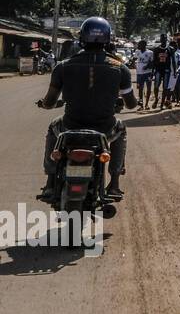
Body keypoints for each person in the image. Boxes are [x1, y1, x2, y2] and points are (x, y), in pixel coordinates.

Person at [35, 16, 137, 203]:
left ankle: (50, 182)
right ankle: (114, 183)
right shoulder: (120, 68)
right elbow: (131, 104)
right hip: (104, 129)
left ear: (81, 38)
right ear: (107, 39)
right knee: (121, 129)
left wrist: (45, 104)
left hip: (69, 128)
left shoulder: (63, 66)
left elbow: (49, 102)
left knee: (52, 127)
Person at [153, 34, 175, 110]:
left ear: (167, 39)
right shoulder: (156, 49)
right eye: (162, 38)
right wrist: (153, 72)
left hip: (167, 71)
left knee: (165, 88)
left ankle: (162, 104)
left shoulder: (170, 49)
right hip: (158, 70)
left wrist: (174, 71)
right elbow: (154, 61)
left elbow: (174, 61)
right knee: (156, 86)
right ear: (160, 39)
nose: (163, 40)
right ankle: (156, 99)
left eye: (165, 38)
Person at [133, 39, 153, 109]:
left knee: (148, 89)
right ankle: (141, 105)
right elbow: (134, 59)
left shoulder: (150, 52)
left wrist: (147, 66)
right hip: (139, 73)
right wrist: (134, 64)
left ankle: (147, 104)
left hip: (148, 73)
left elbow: (152, 62)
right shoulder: (137, 52)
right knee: (140, 89)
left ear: (144, 45)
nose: (138, 46)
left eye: (139, 44)